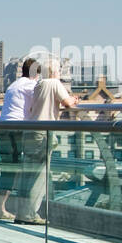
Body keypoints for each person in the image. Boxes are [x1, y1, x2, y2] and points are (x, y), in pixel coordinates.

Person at [18, 63, 79, 225]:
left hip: (30, 131)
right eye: (59, 71)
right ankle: (30, 214)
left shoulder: (38, 85)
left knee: (28, 174)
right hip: (43, 133)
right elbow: (67, 103)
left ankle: (21, 212)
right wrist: (74, 99)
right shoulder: (54, 83)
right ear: (55, 72)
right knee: (40, 176)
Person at [0, 58, 40, 220]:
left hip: (2, 129)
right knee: (21, 169)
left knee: (8, 170)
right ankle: (20, 210)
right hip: (17, 130)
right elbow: (40, 103)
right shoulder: (31, 85)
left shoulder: (13, 85)